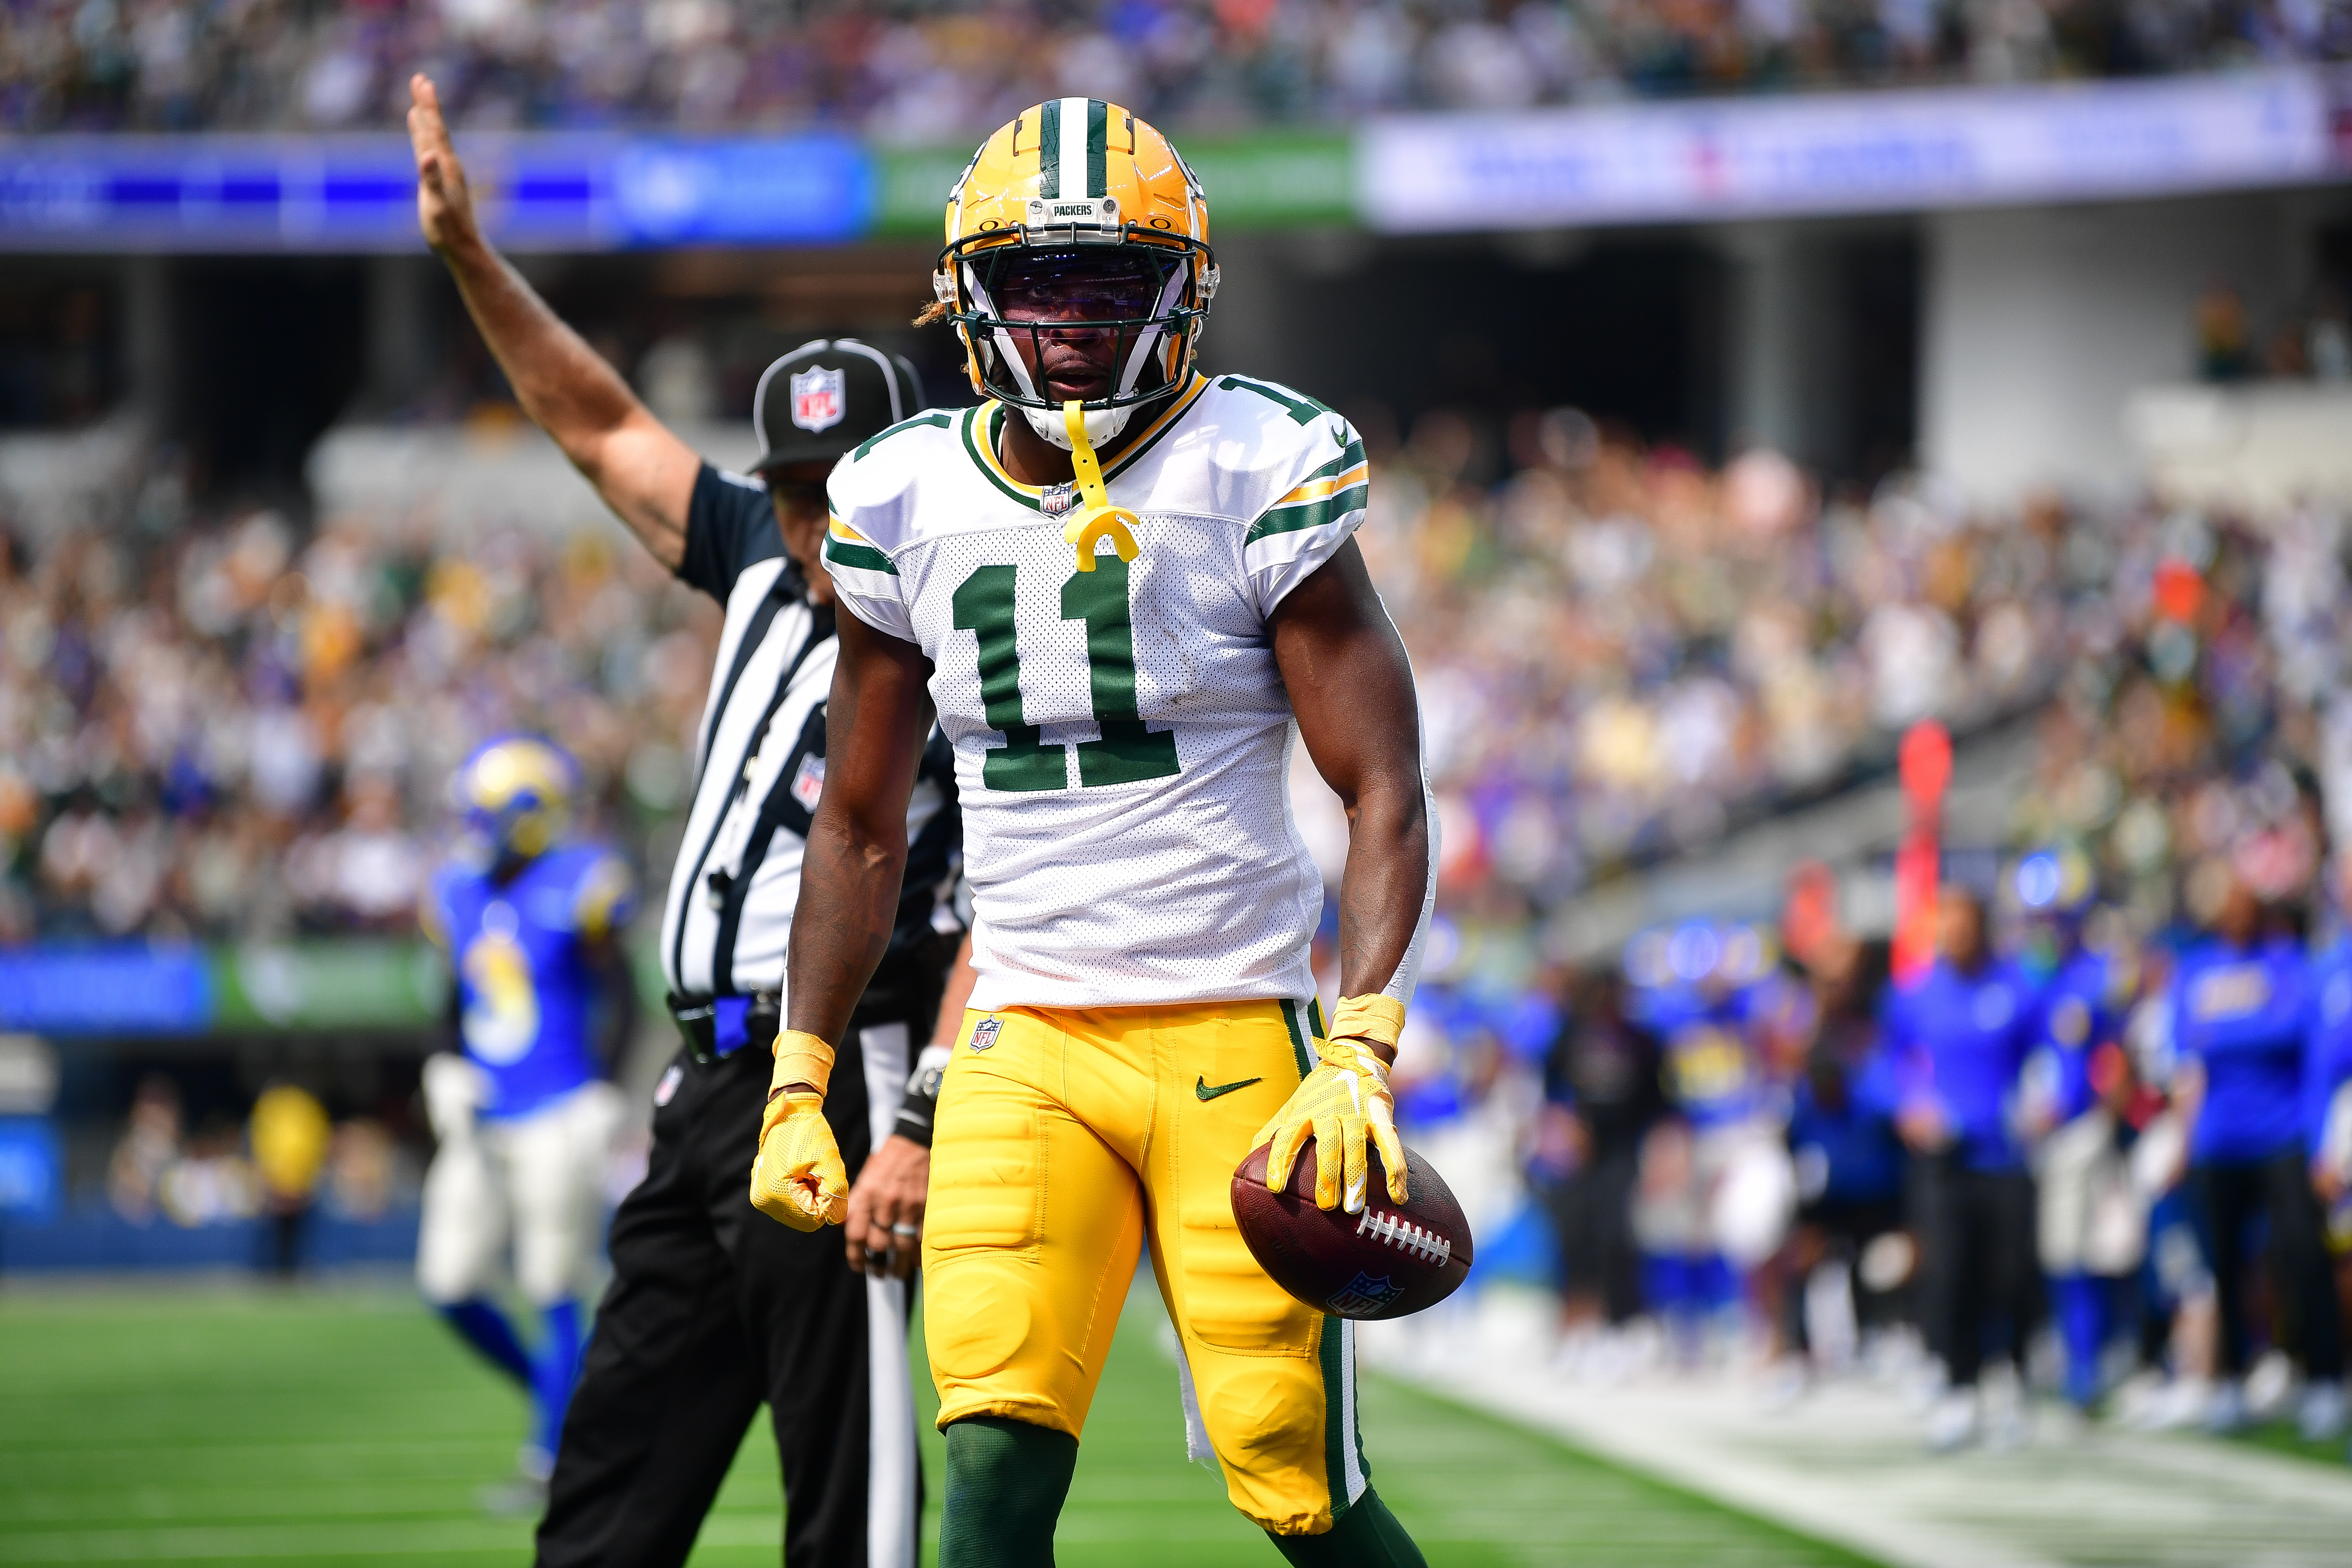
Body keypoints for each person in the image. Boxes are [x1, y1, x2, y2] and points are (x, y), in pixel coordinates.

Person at [754, 98, 1437, 1564]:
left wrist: (1364, 1043)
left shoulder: (1257, 460)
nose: (1070, 321)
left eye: (1110, 281)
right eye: (1037, 282)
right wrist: (797, 1072)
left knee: (1293, 1474)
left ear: (1183, 289)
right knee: (989, 1466)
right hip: (1027, 1041)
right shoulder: (898, 492)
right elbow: (860, 825)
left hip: (1233, 1038)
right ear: (967, 296)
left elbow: (1382, 783)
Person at [408, 74, 970, 1568]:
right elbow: (597, 425)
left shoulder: (963, 640)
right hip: (700, 1091)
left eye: (836, 488)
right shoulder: (754, 561)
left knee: (847, 1514)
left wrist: (918, 1126)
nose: (807, 523)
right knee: (607, 1487)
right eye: (789, 489)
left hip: (843, 1079)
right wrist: (472, 256)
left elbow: (1002, 902)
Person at [416, 735, 635, 1499]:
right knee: (447, 1283)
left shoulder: (580, 880)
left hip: (560, 1107)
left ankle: (551, 1458)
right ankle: (564, 1400)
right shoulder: (457, 888)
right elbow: (451, 997)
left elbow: (625, 996)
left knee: (552, 1283)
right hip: (482, 1112)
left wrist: (604, 1087)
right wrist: (444, 1063)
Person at [2169, 862, 2343, 1438]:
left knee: (2302, 1258)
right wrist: (2182, 1138)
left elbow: (2309, 1054)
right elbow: (2185, 1060)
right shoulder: (2194, 970)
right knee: (2224, 1265)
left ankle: (2322, 1375)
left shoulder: (2291, 966)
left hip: (2284, 1134)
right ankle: (2228, 1379)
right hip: (2220, 1140)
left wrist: (2321, 1144)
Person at [1886, 883, 2043, 1451]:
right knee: (1951, 1272)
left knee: (2010, 1272)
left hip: (2003, 1153)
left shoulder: (2019, 985)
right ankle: (1958, 1384)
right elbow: (1893, 1061)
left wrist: (2043, 1102)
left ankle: (2013, 1378)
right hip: (1945, 1160)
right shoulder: (1918, 993)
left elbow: (2050, 1055)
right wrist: (1911, 1104)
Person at [2012, 846, 2143, 1418]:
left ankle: (2095, 1357)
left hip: (2083, 1127)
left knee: (2088, 1249)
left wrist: (2108, 1118)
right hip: (2040, 1132)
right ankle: (2079, 1351)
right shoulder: (2030, 976)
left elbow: (2118, 1054)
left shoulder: (2096, 976)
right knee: (2063, 1250)